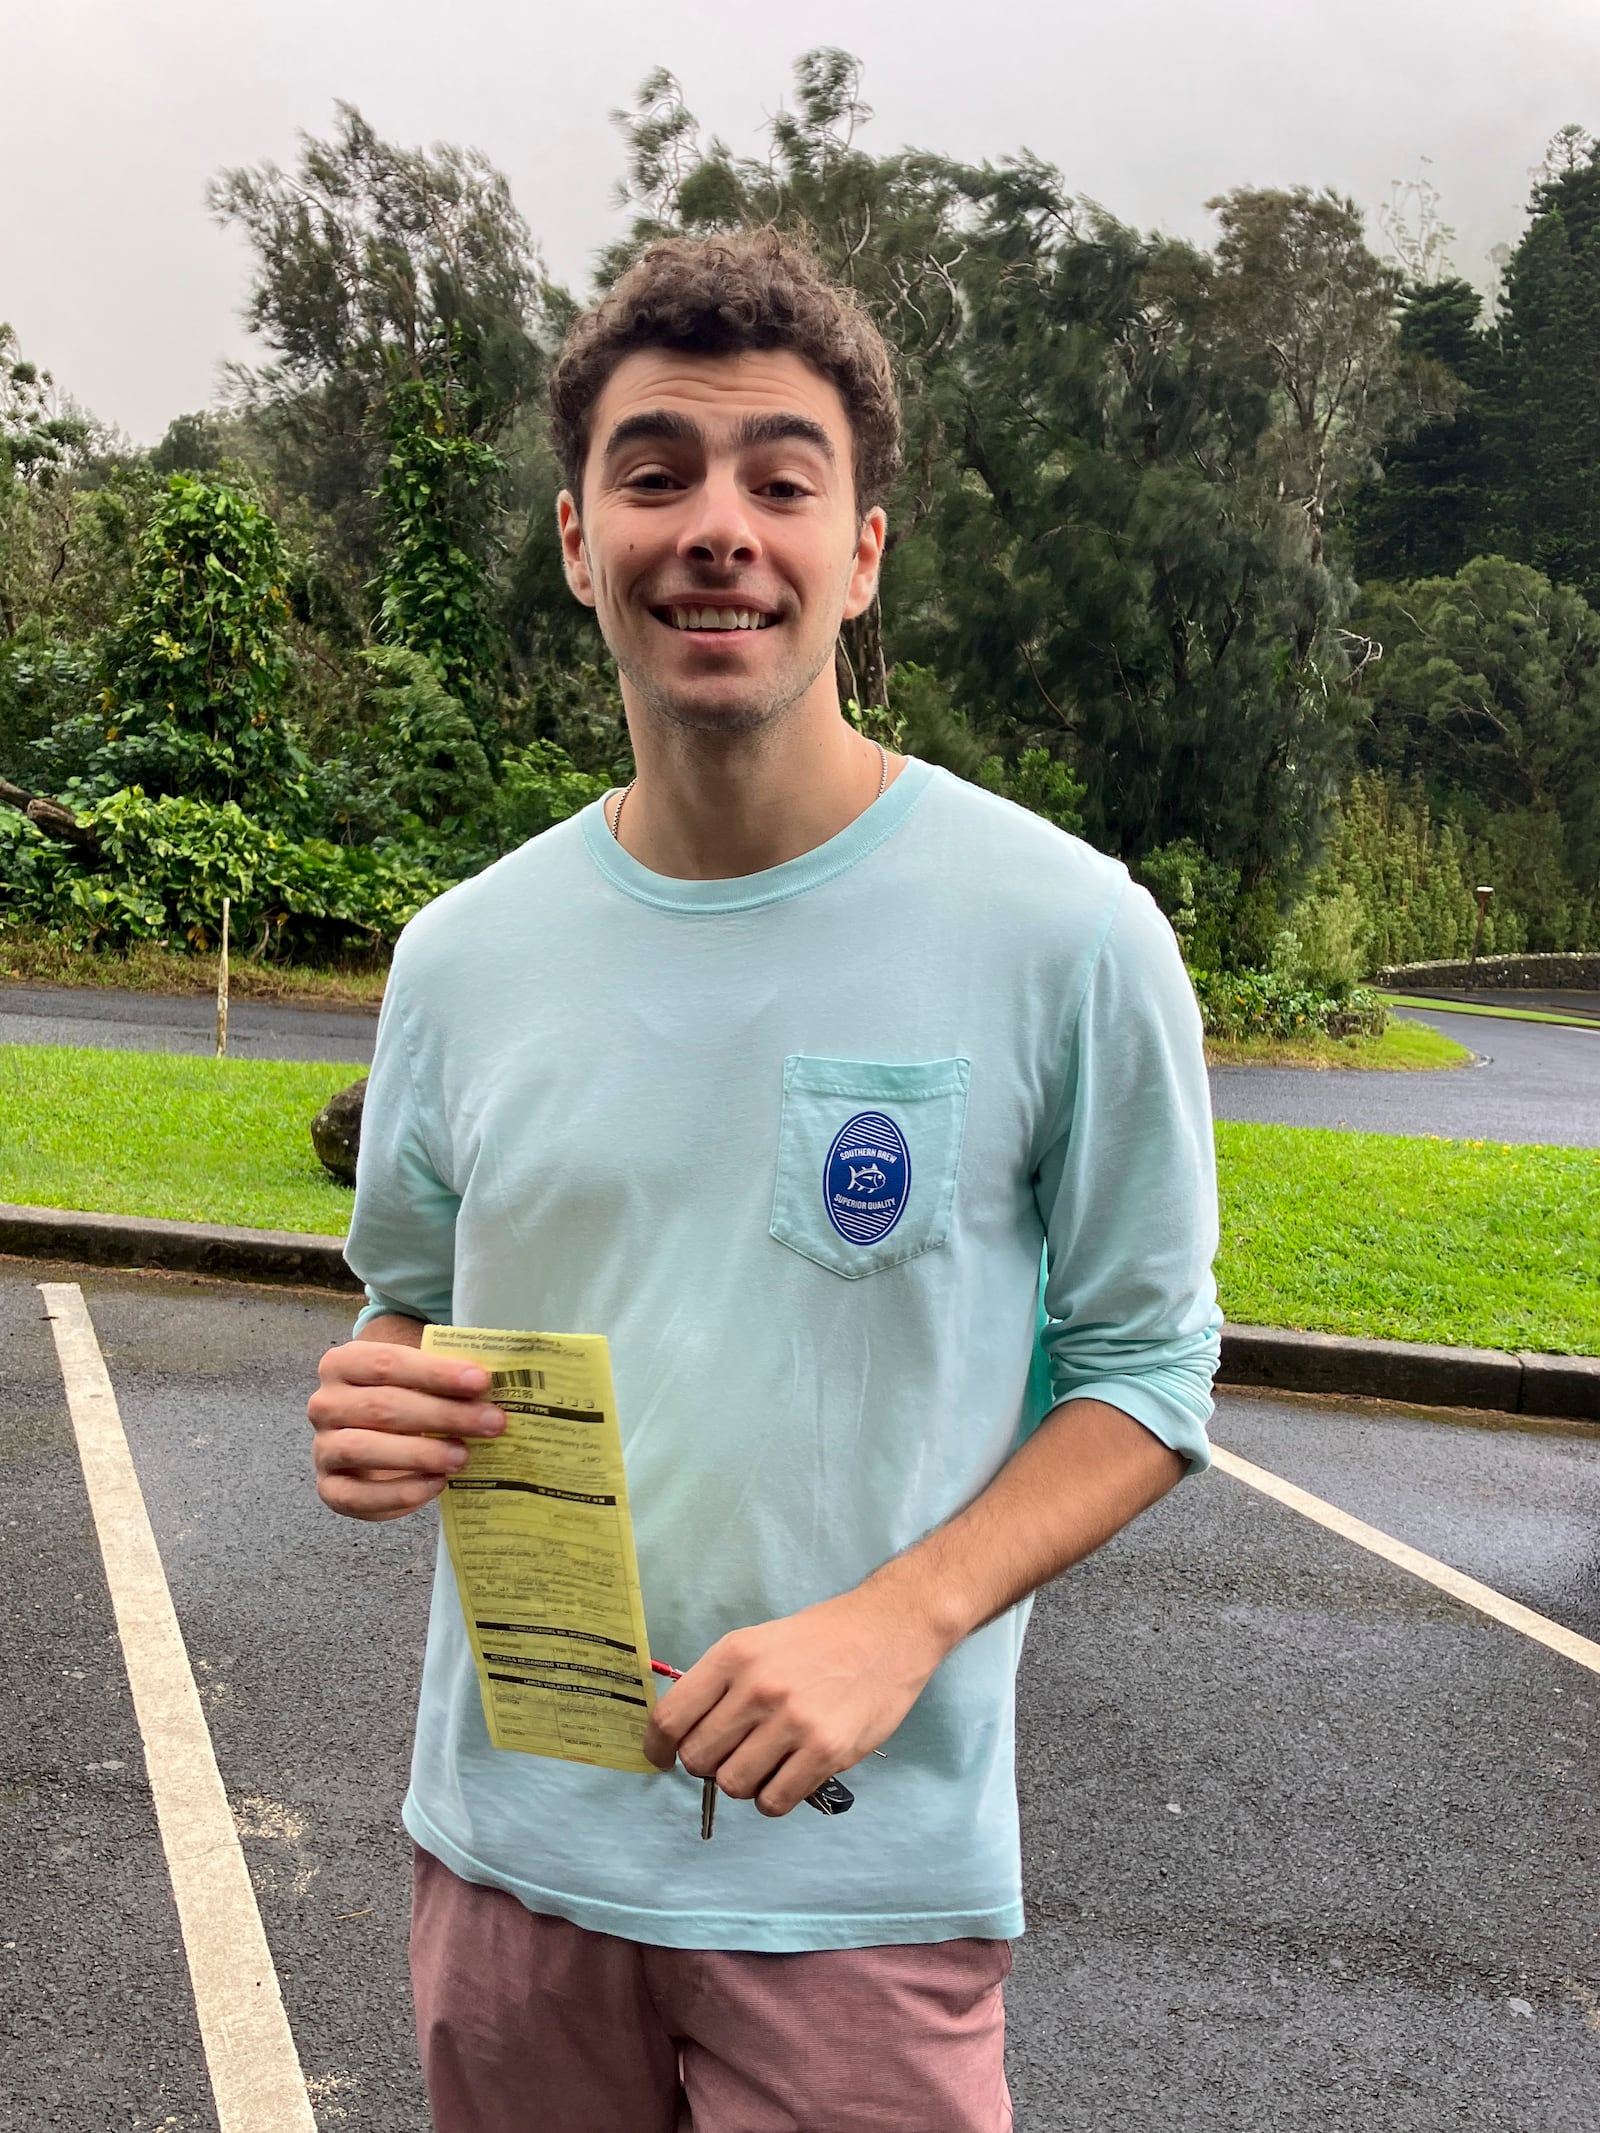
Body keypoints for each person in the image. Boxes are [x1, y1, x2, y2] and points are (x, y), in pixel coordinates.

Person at [307, 229, 1221, 2133]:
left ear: (860, 549)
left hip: (857, 1889)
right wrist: (375, 1388)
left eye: (780, 479)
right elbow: (403, 1291)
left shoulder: (1069, 933)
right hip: (506, 1861)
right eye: (656, 473)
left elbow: (1149, 1368)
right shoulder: (461, 956)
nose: (716, 524)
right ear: (580, 538)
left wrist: (895, 1622)